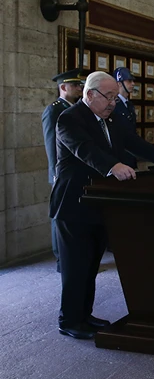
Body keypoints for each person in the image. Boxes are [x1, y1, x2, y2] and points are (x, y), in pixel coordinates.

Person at [50, 71, 154, 340]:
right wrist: (112, 165)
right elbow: (84, 149)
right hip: (73, 205)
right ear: (90, 95)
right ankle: (70, 320)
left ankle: (84, 316)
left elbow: (134, 143)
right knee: (76, 268)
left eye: (114, 96)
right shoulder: (69, 118)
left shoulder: (110, 119)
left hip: (100, 204)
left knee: (90, 266)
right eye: (108, 96)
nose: (113, 101)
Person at [42, 68, 86, 271]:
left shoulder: (75, 109)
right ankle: (61, 259)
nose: (79, 88)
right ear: (63, 87)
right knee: (59, 215)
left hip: (74, 172)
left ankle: (73, 257)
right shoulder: (54, 109)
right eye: (75, 85)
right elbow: (52, 143)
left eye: (80, 85)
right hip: (61, 172)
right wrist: (56, 172)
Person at [111, 67, 139, 168]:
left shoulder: (129, 105)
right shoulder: (113, 105)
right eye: (129, 81)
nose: (133, 84)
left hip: (130, 156)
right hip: (120, 159)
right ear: (119, 83)